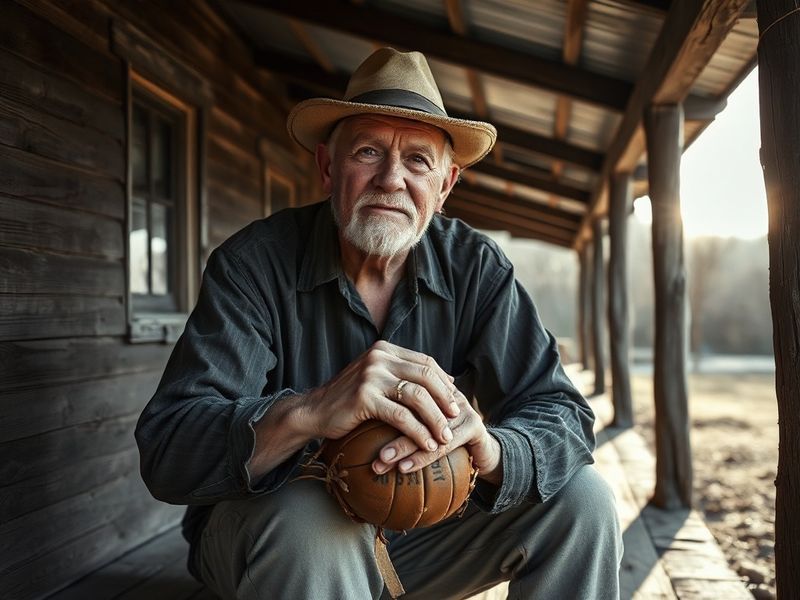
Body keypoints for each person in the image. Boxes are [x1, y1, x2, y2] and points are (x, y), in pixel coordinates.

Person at [135, 47, 622, 600]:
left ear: (444, 186)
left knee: (584, 501)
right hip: (272, 536)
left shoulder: (476, 267)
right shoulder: (254, 264)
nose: (391, 179)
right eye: (368, 151)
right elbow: (169, 449)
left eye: (418, 160)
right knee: (310, 520)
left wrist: (492, 449)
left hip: (422, 531)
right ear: (326, 167)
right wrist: (311, 411)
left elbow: (562, 414)